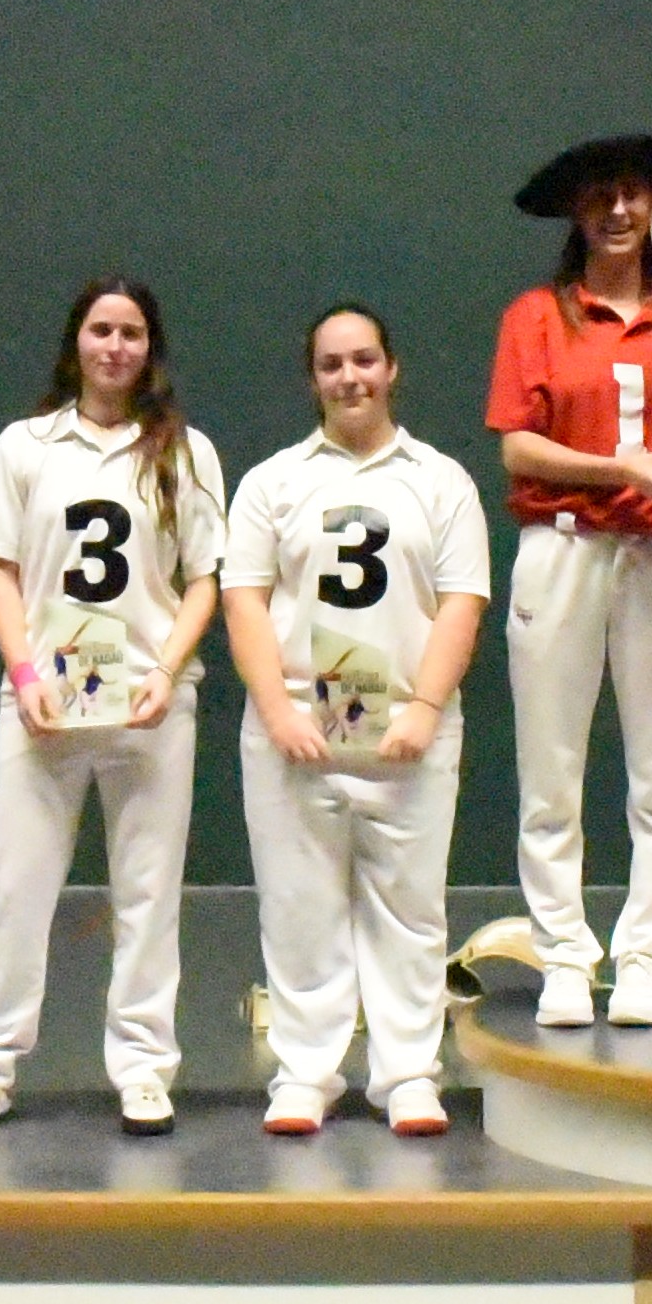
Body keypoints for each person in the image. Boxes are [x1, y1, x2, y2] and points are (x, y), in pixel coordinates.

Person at [0, 278, 227, 1137]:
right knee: (15, 891)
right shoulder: (25, 446)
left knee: (148, 893)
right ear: (76, 344)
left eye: (132, 332)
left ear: (150, 349)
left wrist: (166, 671)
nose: (115, 346)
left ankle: (143, 1069)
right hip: (42, 709)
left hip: (150, 709)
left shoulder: (185, 451)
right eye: (101, 330)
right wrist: (24, 676)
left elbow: (205, 577)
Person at [225, 305, 490, 1135]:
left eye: (364, 360)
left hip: (407, 737)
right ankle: (306, 1073)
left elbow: (462, 601)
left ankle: (408, 1072)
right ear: (313, 379)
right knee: (298, 907)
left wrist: (422, 707)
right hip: (295, 737)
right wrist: (277, 712)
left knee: (409, 909)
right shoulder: (272, 482)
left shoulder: (441, 480)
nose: (350, 378)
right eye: (332, 364)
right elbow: (244, 598)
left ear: (391, 368)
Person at [484, 132, 652, 1029]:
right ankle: (566, 958)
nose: (617, 212)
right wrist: (617, 467)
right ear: (577, 215)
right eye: (599, 198)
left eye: (632, 195)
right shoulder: (537, 315)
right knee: (551, 776)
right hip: (562, 548)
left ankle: (645, 958)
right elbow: (517, 446)